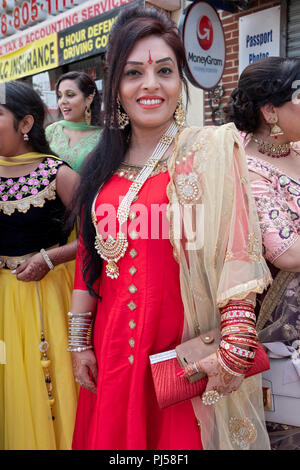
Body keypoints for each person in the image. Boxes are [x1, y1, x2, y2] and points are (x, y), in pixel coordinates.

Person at [69, 6, 272, 450]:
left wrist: (236, 332)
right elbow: (90, 260)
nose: (150, 85)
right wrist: (77, 341)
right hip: (112, 347)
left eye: (164, 70)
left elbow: (235, 248)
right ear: (116, 87)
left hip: (182, 350)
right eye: (134, 72)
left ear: (180, 81)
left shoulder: (209, 152)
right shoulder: (99, 168)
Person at [224, 56, 300, 450]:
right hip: (286, 326)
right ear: (270, 111)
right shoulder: (247, 168)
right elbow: (286, 250)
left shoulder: (297, 150)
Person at [0, 81, 79, 450]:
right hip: (4, 302)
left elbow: (101, 237)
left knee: (51, 383)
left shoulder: (57, 174)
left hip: (48, 298)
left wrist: (51, 258)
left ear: (25, 123)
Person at [45, 71, 102, 173]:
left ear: (89, 99)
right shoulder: (52, 131)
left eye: (70, 95)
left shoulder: (104, 137)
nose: (62, 101)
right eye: (59, 96)